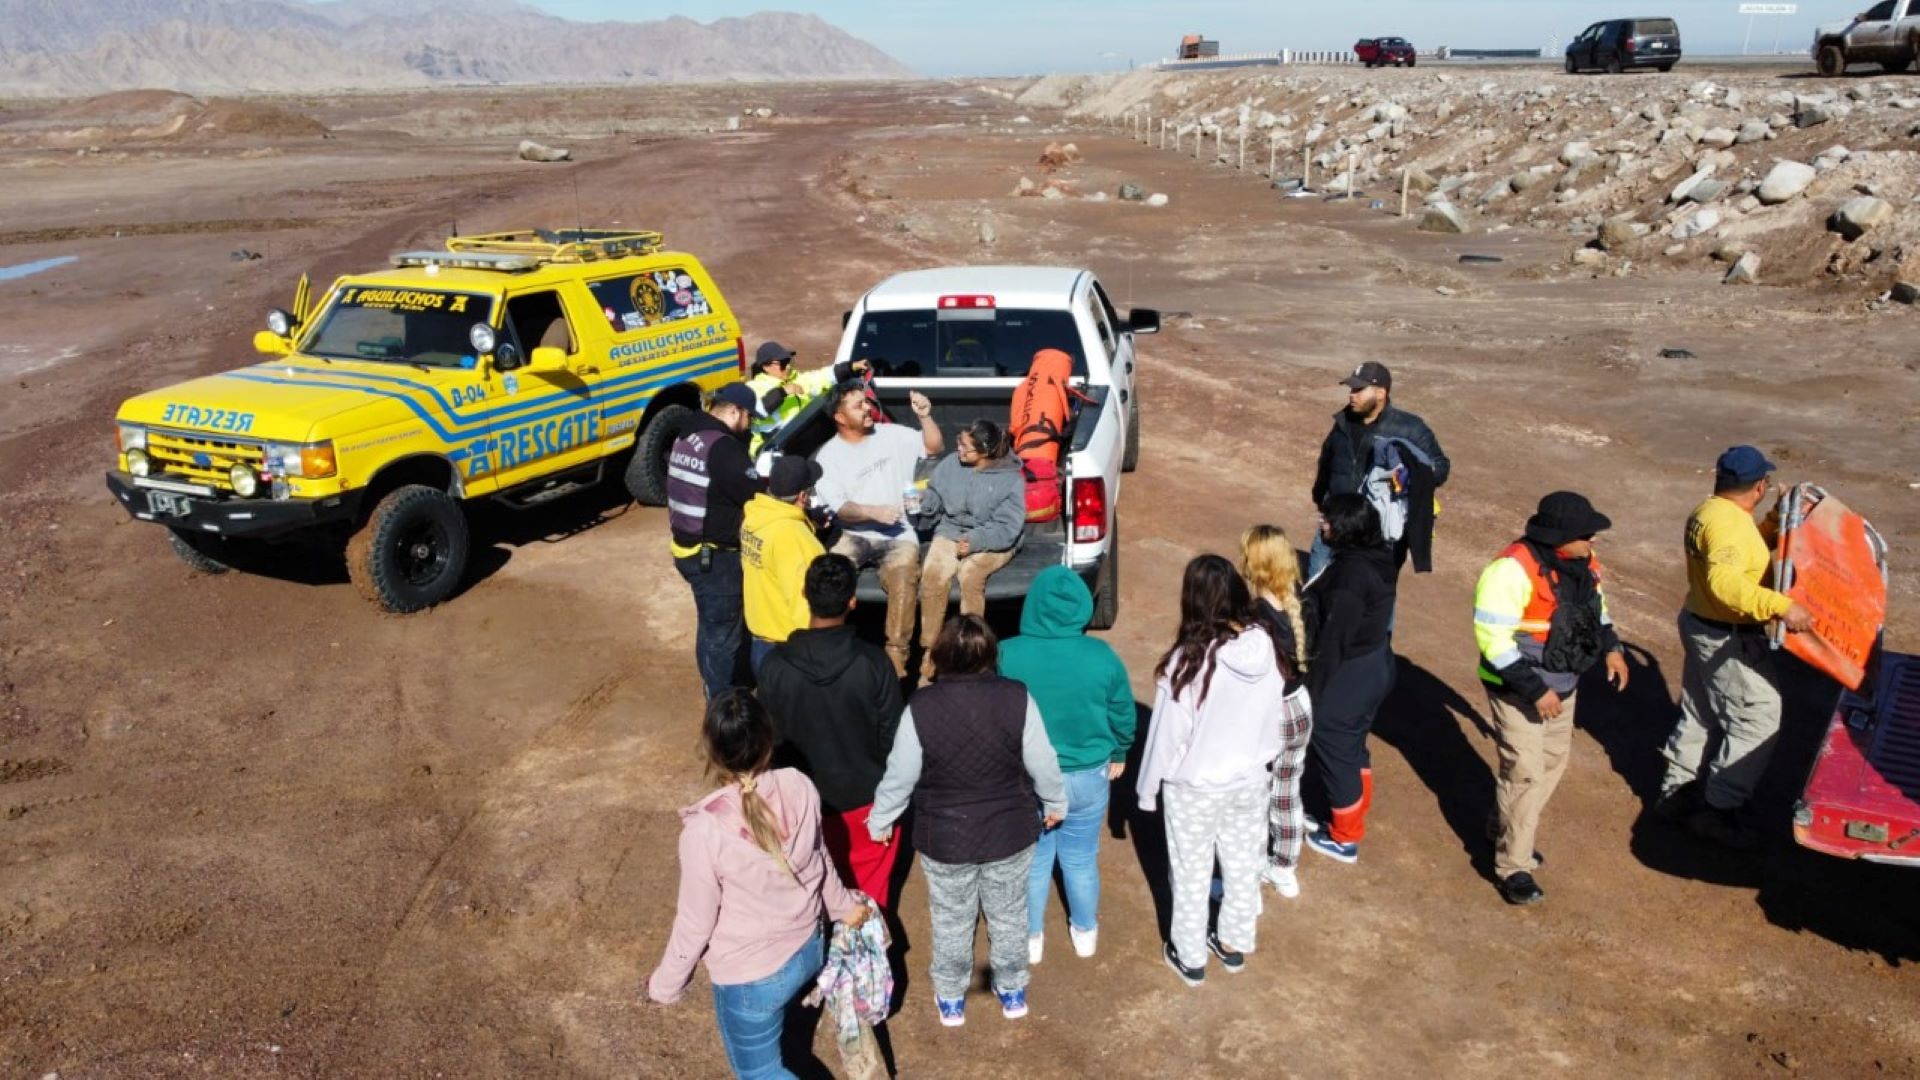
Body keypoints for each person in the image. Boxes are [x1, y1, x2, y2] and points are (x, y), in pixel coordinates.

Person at [648, 690, 874, 1080]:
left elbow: (695, 922)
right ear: (768, 741)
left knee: (761, 1073)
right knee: (785, 1049)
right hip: (808, 948)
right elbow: (820, 860)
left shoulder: (705, 831)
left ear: (711, 750)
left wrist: (665, 985)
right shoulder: (799, 785)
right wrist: (843, 909)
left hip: (751, 977)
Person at [868, 615, 1067, 1027]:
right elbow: (1043, 761)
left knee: (951, 918)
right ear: (991, 655)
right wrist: (1054, 802)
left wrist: (882, 817)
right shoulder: (1017, 697)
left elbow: (901, 773)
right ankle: (1012, 990)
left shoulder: (922, 705)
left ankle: (951, 997)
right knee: (1010, 914)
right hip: (1009, 831)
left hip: (945, 837)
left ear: (940, 655)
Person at [1136, 556, 1290, 988]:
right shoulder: (1266, 646)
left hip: (1196, 790)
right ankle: (1234, 944)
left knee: (1190, 872)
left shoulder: (1187, 663)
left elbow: (1165, 737)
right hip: (1250, 781)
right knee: (1243, 868)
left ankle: (1189, 956)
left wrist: (1147, 792)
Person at [1472, 492, 1632, 905]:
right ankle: (1514, 866)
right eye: (1587, 535)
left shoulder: (1583, 565)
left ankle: (1504, 827)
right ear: (1562, 537)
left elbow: (1597, 610)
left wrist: (1612, 648)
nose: (1594, 541)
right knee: (1524, 773)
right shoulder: (1510, 570)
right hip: (1519, 691)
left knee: (1548, 764)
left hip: (1564, 685)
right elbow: (1494, 642)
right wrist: (1536, 690)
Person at [1653, 446, 1814, 851]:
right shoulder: (1726, 527)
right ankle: (1718, 808)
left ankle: (1677, 792)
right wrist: (1781, 606)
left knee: (1701, 709)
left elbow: (1745, 551)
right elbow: (1726, 583)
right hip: (1726, 635)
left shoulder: (1713, 512)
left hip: (1701, 622)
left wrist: (1777, 520)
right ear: (1759, 486)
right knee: (1758, 718)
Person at [999, 564, 1135, 963]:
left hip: (1029, 778)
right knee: (1079, 859)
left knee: (1036, 860)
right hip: (1088, 775)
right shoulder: (1101, 655)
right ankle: (1085, 930)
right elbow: (1122, 712)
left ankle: (1032, 938)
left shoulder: (1008, 652)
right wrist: (1120, 750)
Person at [758, 553, 906, 907]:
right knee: (867, 907)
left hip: (797, 810)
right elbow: (894, 742)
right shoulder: (874, 663)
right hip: (865, 807)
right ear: (852, 602)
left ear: (805, 595)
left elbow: (768, 744)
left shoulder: (774, 667)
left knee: (809, 901)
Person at [814, 381, 945, 676]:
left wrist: (925, 416)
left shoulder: (891, 435)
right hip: (852, 533)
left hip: (897, 534)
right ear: (839, 416)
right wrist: (873, 512)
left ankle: (896, 657)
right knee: (829, 577)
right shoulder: (829, 456)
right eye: (858, 405)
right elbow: (840, 507)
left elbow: (934, 446)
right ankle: (827, 646)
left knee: (904, 579)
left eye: (867, 402)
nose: (868, 408)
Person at [1302, 495, 1397, 864]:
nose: (1321, 523)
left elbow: (1334, 639)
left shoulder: (1350, 578)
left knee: (1333, 739)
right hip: (1374, 663)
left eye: (1327, 519)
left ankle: (1345, 836)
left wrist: (1311, 690)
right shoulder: (1374, 555)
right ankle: (1347, 817)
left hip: (1350, 671)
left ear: (1345, 527)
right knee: (1353, 744)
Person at [668, 382, 767, 699]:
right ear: (735, 411)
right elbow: (755, 494)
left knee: (711, 627)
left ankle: (715, 686)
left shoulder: (690, 432)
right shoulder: (723, 448)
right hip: (715, 557)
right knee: (724, 633)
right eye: (748, 417)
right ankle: (723, 704)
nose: (749, 424)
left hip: (688, 549)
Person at [1308, 361, 1450, 578]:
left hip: (1379, 534)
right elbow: (1327, 461)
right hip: (1336, 523)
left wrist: (1407, 477)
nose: (1351, 395)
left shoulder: (1410, 428)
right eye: (1351, 389)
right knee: (1317, 590)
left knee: (1376, 603)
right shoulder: (1343, 423)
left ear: (1381, 393)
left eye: (1358, 390)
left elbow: (1440, 467)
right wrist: (1322, 499)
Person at [917, 418, 1027, 680]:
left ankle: (971, 652)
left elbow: (1008, 527)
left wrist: (977, 540)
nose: (959, 450)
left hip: (993, 536)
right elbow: (935, 494)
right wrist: (924, 505)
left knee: (970, 574)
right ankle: (930, 651)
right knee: (933, 575)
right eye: (959, 442)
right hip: (951, 530)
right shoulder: (950, 465)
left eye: (966, 447)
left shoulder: (1010, 479)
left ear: (986, 452)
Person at [1239, 525, 1315, 900]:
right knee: (1288, 790)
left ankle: (1250, 870)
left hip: (1268, 714)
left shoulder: (1256, 616)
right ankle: (1284, 867)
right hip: (1299, 705)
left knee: (1255, 795)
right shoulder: (1302, 600)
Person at [741, 456, 826, 676]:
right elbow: (805, 603)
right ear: (802, 496)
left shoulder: (754, 517)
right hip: (790, 649)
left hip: (761, 641)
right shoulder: (795, 538)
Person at [743, 342, 869, 452]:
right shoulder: (753, 388)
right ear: (766, 367)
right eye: (782, 363)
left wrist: (850, 367)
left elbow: (822, 376)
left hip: (802, 439)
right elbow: (756, 411)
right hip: (773, 448)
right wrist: (782, 392)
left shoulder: (797, 378)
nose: (788, 367)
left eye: (789, 361)